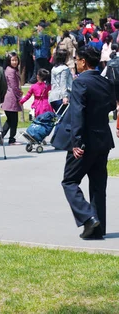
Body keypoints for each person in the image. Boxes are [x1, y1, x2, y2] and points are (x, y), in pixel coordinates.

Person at [52, 46, 115, 239]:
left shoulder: (81, 83)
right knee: (98, 186)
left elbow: (77, 113)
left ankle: (88, 218)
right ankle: (98, 228)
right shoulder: (105, 82)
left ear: (83, 62)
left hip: (84, 141)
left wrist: (76, 142)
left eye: (77, 60)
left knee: (69, 181)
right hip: (103, 139)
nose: (75, 63)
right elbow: (112, 104)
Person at [1, 52, 23, 145]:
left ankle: (2, 135)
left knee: (10, 119)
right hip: (11, 97)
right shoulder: (11, 71)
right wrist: (19, 97)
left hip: (9, 97)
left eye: (16, 60)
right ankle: (11, 139)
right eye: (13, 60)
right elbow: (14, 86)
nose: (15, 62)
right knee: (13, 120)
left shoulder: (9, 69)